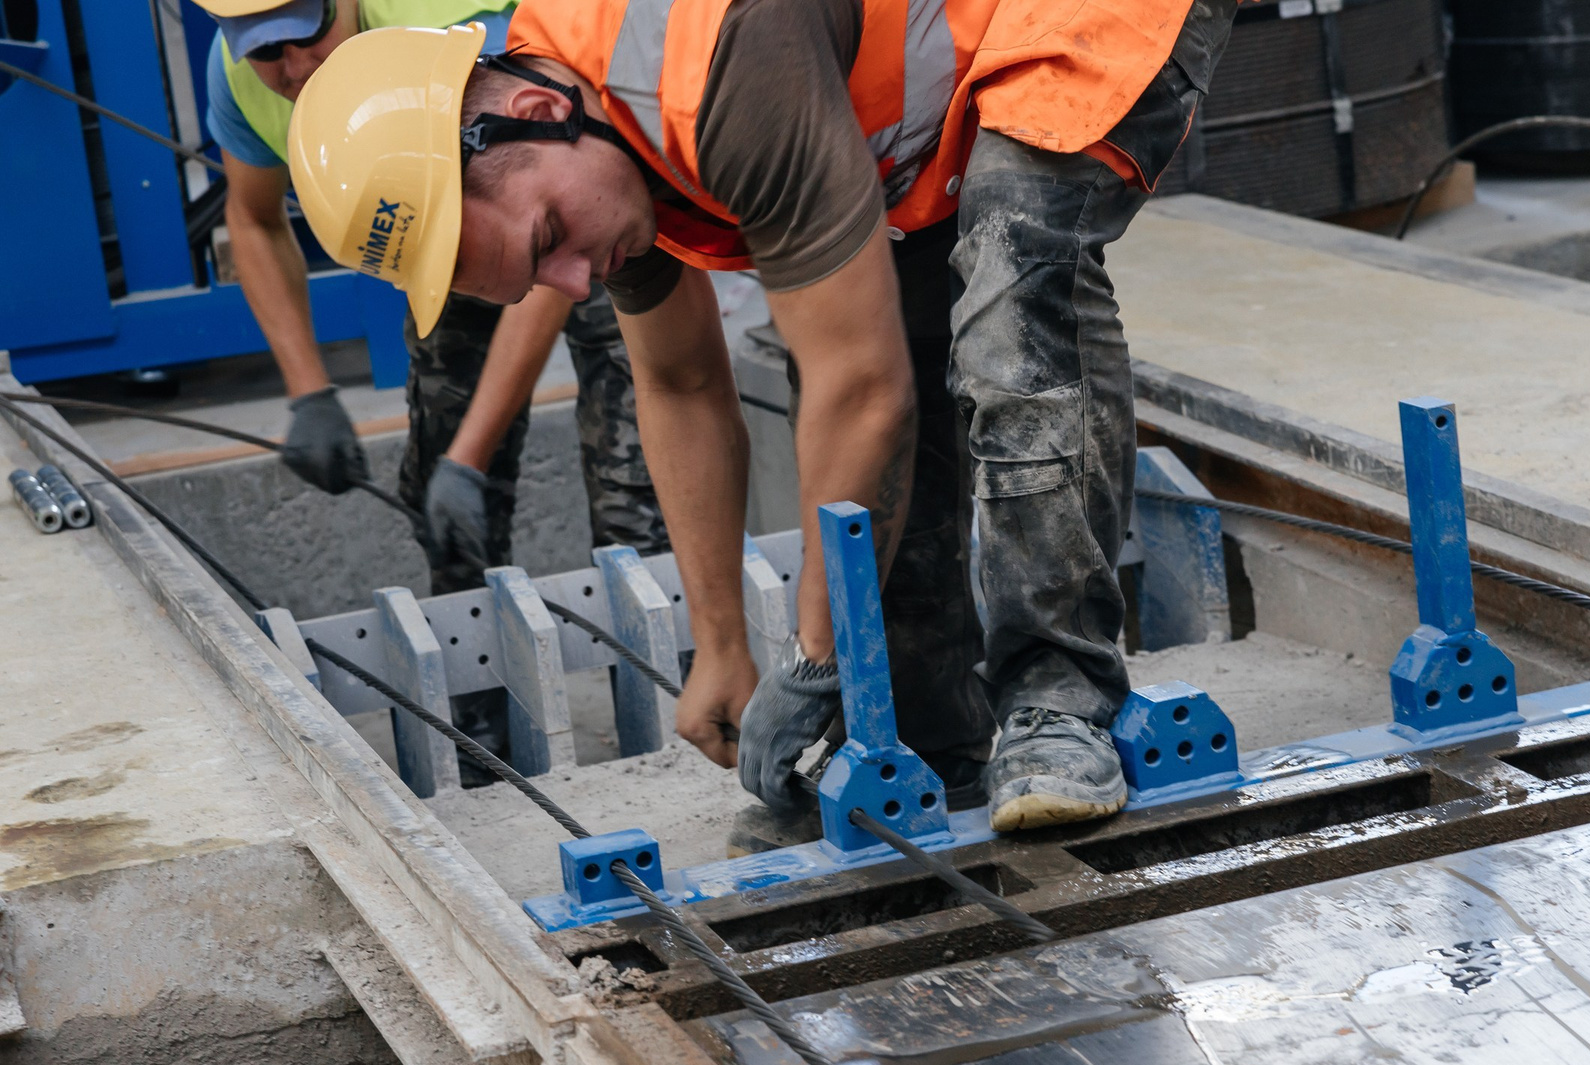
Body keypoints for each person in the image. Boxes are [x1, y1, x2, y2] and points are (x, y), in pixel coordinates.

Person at [283, 0, 1237, 832]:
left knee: (1016, 253)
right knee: (897, 341)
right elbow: (680, 384)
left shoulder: (718, 62)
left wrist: (816, 660)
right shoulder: (591, 125)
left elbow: (859, 388)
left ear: (535, 114)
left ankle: (1059, 703)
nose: (574, 282)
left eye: (551, 240)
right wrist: (722, 646)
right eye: (542, 274)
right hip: (953, 66)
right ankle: (931, 738)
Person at [198, 0, 668, 587]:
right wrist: (309, 392)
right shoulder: (237, 74)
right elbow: (254, 218)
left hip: (566, 215)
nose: (294, 67)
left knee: (636, 485)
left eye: (306, 31)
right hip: (450, 239)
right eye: (266, 48)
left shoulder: (449, 34)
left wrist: (470, 457)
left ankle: (662, 612)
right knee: (441, 496)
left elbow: (552, 265)